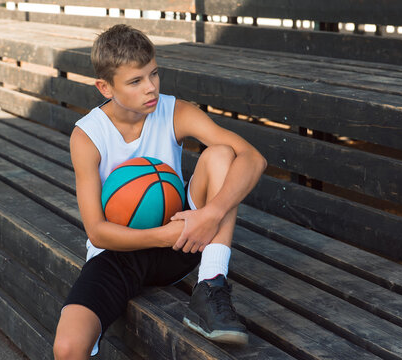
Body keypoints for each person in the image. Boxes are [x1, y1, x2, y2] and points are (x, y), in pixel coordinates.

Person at [53, 24, 267, 359]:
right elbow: (97, 231)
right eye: (135, 81)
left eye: (154, 74)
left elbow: (254, 158)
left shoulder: (174, 111)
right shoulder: (88, 136)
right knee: (67, 347)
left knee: (222, 155)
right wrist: (163, 234)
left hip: (185, 240)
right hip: (120, 254)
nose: (151, 88)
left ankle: (211, 284)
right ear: (105, 87)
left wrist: (210, 214)